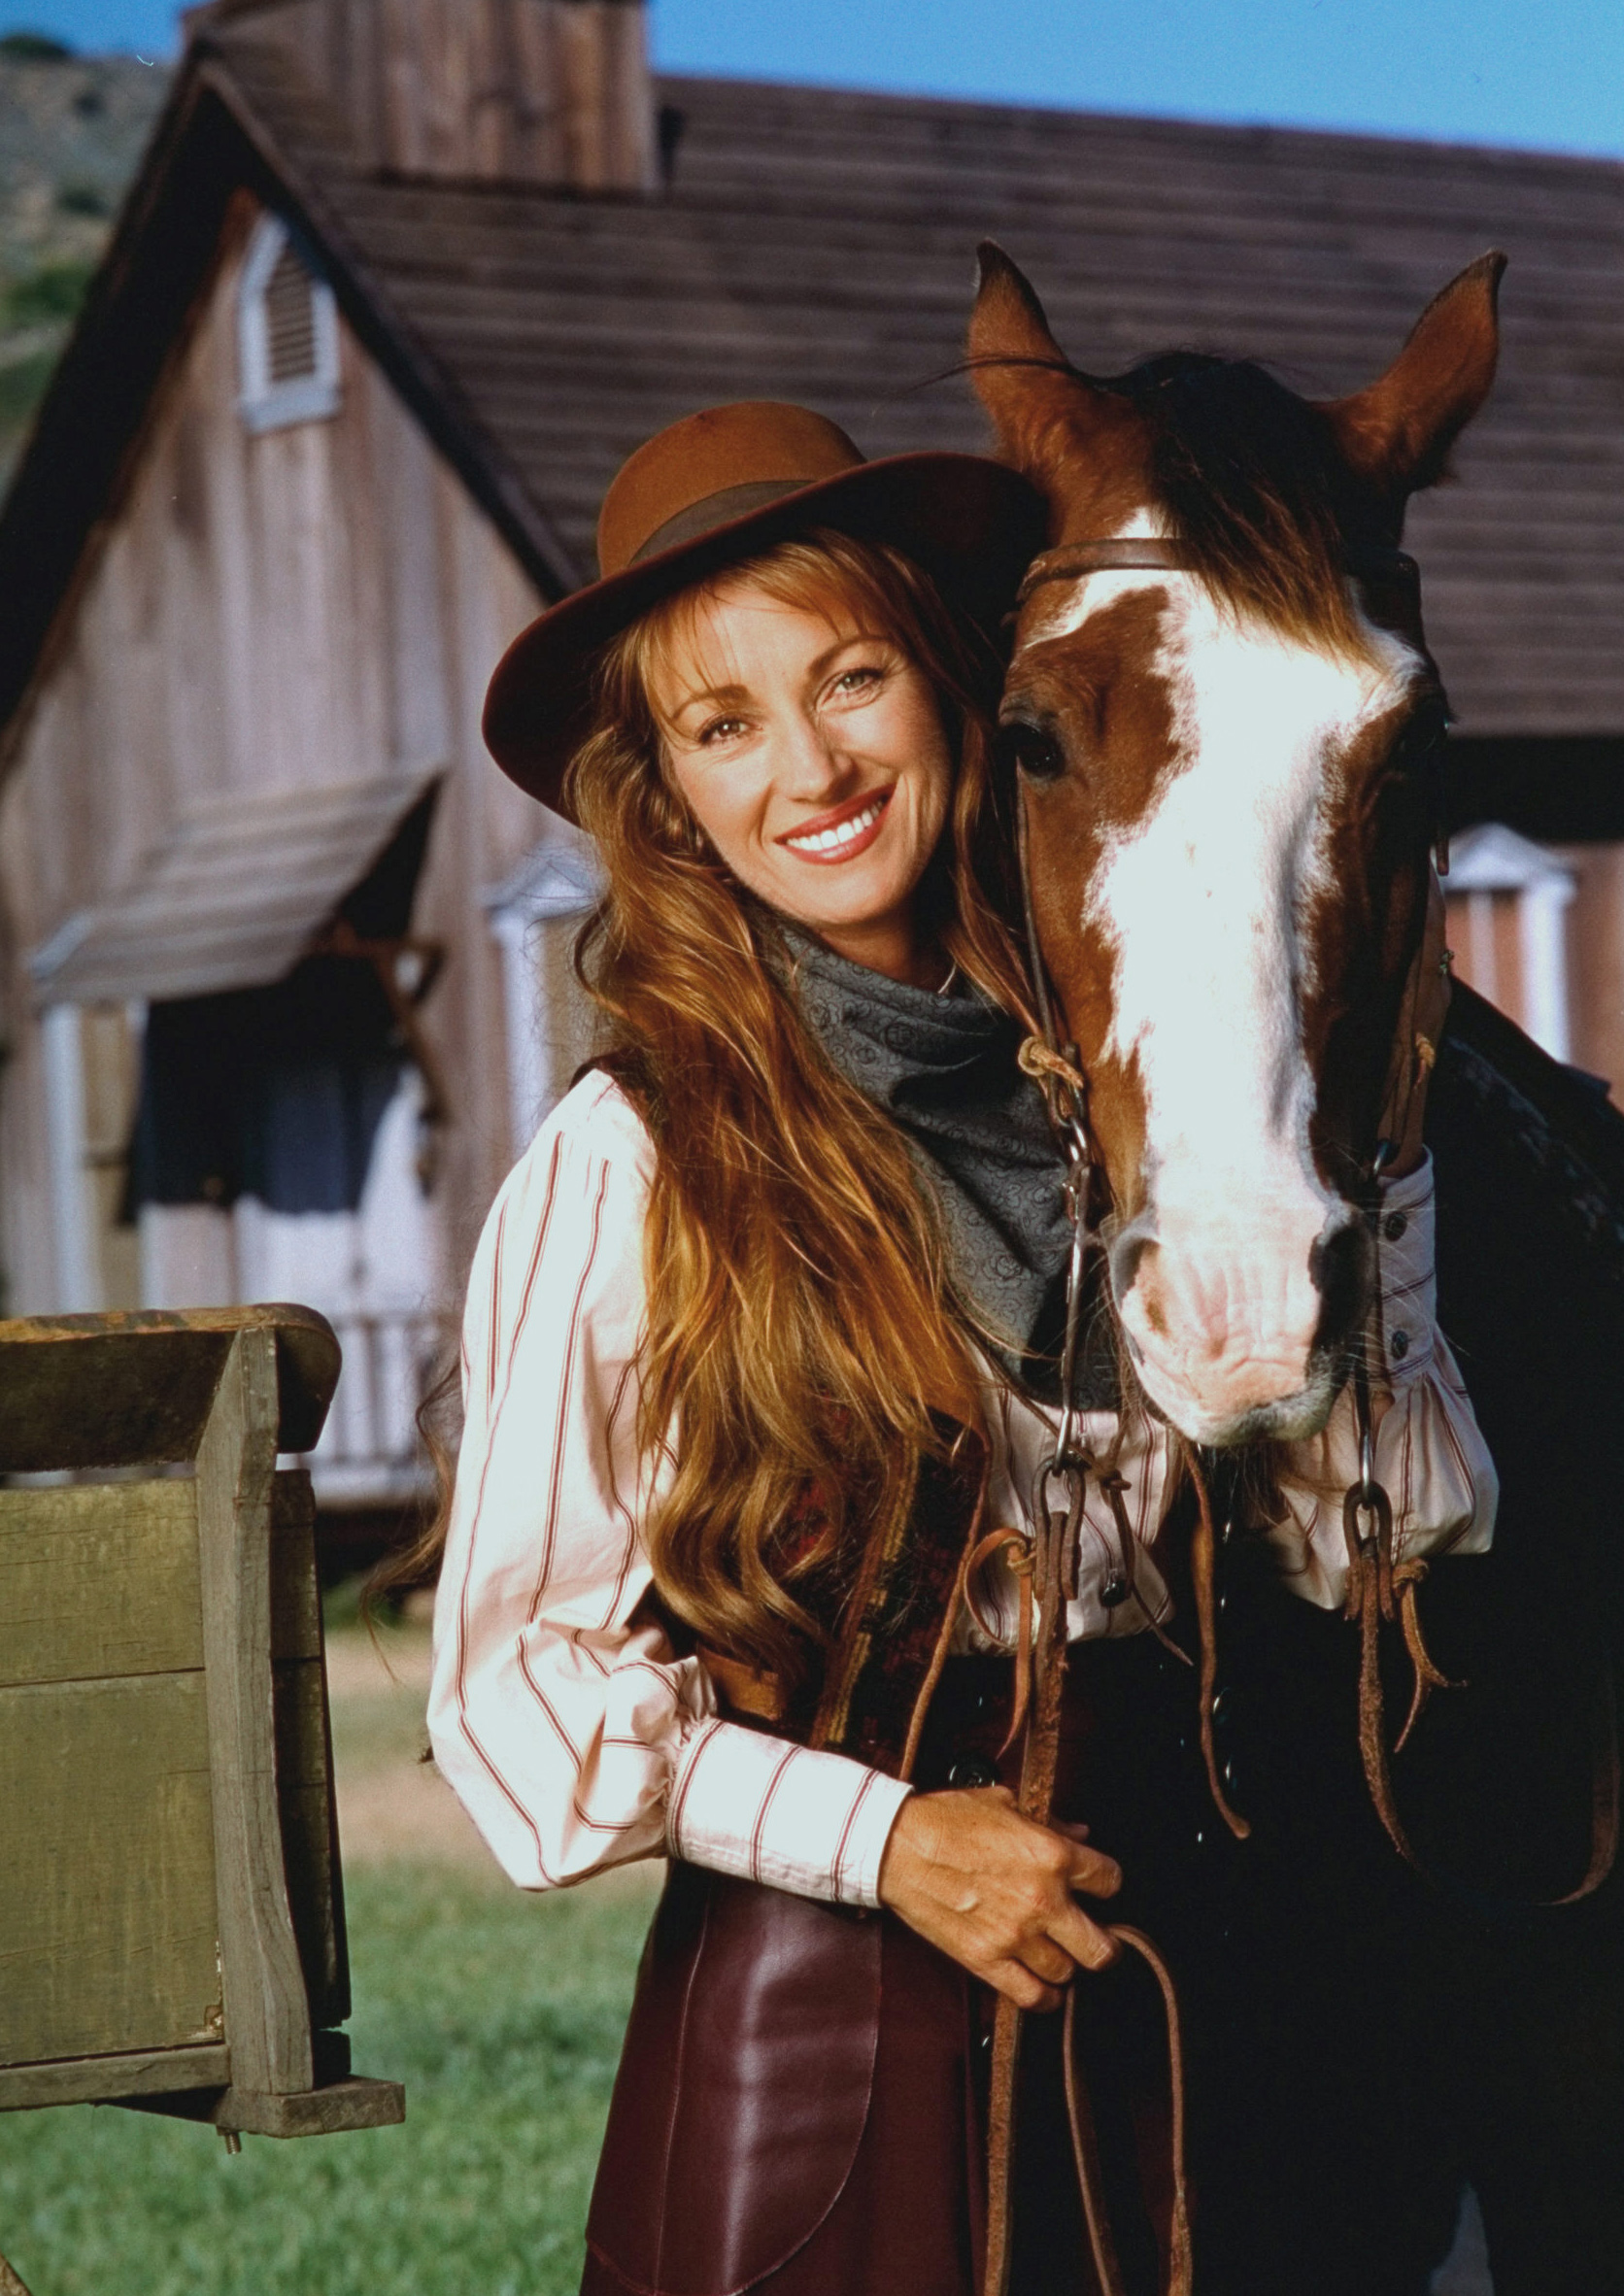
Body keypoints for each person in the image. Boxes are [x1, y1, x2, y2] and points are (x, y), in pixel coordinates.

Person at [423, 400, 1497, 2295]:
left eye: (848, 679)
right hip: (840, 2032)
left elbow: (1369, 1537)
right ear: (665, 792)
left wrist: (1375, 1161)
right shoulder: (633, 1163)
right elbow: (515, 1701)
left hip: (1205, 1983)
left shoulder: (1138, 1108)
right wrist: (887, 1835)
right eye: (723, 721)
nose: (809, 766)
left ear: (947, 686)